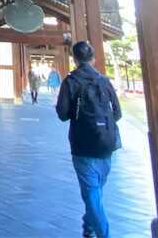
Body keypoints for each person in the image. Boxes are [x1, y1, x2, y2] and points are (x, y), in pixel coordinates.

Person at [56, 41, 122, 238]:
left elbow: (62, 114)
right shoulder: (104, 80)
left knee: (92, 193)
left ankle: (102, 233)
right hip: (107, 144)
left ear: (74, 58)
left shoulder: (71, 81)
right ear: (93, 58)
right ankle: (90, 224)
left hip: (82, 144)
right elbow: (117, 113)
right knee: (96, 190)